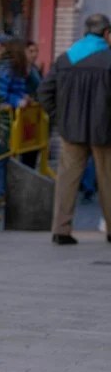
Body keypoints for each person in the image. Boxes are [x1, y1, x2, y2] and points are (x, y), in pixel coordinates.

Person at [40, 14, 111, 246]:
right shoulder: (108, 59)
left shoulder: (65, 59)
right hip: (105, 132)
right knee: (108, 181)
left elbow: (44, 92)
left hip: (71, 131)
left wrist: (60, 118)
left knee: (67, 181)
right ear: (107, 33)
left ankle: (61, 230)